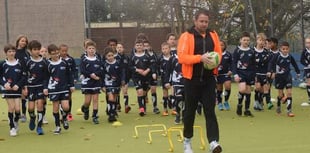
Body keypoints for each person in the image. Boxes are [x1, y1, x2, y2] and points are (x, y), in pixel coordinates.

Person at [177, 9, 222, 153]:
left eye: (206, 22)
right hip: (191, 80)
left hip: (209, 80)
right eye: (201, 21)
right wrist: (200, 58)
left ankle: (213, 142)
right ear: (195, 21)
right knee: (189, 112)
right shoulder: (186, 36)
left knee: (210, 111)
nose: (204, 24)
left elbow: (218, 54)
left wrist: (215, 61)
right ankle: (187, 141)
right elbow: (182, 57)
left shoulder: (213, 34)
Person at [44, 44, 74, 134]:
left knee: (66, 107)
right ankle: (57, 126)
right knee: (55, 107)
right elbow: (46, 77)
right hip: (53, 89)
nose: (56, 55)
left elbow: (69, 75)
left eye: (57, 53)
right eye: (53, 53)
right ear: (49, 54)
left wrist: (71, 85)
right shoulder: (48, 64)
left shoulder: (64, 62)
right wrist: (45, 88)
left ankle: (64, 118)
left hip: (64, 88)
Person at [0, 44, 27, 136]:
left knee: (18, 110)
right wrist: (4, 84)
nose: (11, 53)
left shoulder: (20, 63)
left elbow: (24, 76)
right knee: (11, 107)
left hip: (17, 90)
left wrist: (18, 85)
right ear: (6, 53)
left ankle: (15, 121)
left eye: (13, 51)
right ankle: (12, 127)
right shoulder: (3, 64)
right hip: (7, 90)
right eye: (9, 52)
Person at [268, 41, 300, 117]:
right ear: (280, 49)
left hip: (287, 76)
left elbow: (294, 64)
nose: (285, 50)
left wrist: (298, 72)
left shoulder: (289, 56)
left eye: (286, 49)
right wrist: (270, 71)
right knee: (280, 95)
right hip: (279, 77)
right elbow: (271, 63)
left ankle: (289, 111)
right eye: (283, 49)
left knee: (289, 93)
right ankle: (278, 107)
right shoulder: (277, 56)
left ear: (289, 49)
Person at [25, 40, 48, 135]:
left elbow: (47, 76)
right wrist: (25, 87)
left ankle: (39, 126)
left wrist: (45, 87)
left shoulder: (44, 62)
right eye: (35, 49)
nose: (37, 51)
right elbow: (24, 75)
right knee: (30, 108)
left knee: (40, 105)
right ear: (30, 50)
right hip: (30, 87)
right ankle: (32, 117)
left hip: (40, 87)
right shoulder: (28, 62)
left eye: (38, 49)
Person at [80, 41, 104, 124]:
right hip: (87, 83)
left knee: (95, 99)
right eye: (89, 48)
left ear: (95, 49)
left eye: (93, 48)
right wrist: (91, 75)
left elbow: (101, 69)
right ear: (86, 49)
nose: (91, 50)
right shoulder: (84, 59)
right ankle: (85, 109)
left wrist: (96, 75)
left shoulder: (98, 59)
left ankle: (95, 116)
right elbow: (82, 70)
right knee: (87, 101)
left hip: (96, 82)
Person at [232, 32, 255, 117]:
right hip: (240, 73)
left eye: (248, 40)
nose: (246, 41)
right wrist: (235, 74)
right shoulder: (237, 50)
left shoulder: (252, 51)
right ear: (240, 40)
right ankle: (239, 105)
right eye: (244, 40)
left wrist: (254, 76)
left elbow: (253, 65)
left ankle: (247, 110)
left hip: (249, 74)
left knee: (248, 91)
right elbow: (233, 63)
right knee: (242, 89)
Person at [129, 39, 152, 116]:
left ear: (143, 47)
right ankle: (141, 109)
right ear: (135, 47)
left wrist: (146, 71)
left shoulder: (147, 55)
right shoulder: (132, 57)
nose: (139, 47)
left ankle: (144, 107)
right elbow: (130, 66)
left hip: (146, 76)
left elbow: (151, 65)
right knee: (140, 92)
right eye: (137, 45)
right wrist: (137, 70)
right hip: (136, 77)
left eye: (140, 45)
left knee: (144, 93)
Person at [102, 47, 124, 122]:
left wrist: (122, 80)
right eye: (108, 56)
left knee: (114, 98)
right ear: (105, 56)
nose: (110, 57)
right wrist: (102, 85)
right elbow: (102, 75)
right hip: (108, 84)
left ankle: (112, 111)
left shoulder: (118, 63)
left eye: (112, 55)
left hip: (116, 84)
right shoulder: (104, 64)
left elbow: (121, 73)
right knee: (110, 98)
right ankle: (111, 115)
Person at [59, 44, 78, 121]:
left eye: (65, 51)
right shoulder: (58, 60)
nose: (64, 52)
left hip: (69, 82)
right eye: (62, 51)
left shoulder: (70, 59)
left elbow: (75, 70)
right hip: (60, 82)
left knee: (68, 98)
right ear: (59, 51)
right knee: (60, 99)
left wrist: (75, 78)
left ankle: (69, 113)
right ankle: (62, 114)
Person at [253, 33, 272, 111]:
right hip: (255, 73)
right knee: (257, 87)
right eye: (260, 40)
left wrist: (269, 71)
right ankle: (256, 102)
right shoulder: (252, 51)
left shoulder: (266, 52)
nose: (261, 42)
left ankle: (260, 102)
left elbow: (269, 63)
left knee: (262, 90)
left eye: (263, 41)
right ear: (257, 41)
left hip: (264, 73)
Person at [15, 35, 30, 123]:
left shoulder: (27, 53)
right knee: (17, 96)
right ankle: (17, 113)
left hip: (25, 77)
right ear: (18, 41)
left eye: (25, 41)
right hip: (16, 77)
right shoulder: (14, 52)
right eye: (22, 41)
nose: (23, 42)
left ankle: (23, 114)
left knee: (24, 95)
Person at [143, 40, 160, 114]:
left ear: (150, 46)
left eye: (147, 46)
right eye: (145, 46)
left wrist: (155, 72)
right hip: (145, 74)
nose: (146, 47)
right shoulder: (143, 55)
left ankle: (155, 107)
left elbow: (156, 64)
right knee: (143, 91)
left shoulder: (154, 54)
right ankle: (143, 108)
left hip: (153, 74)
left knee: (153, 89)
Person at [216, 40, 232, 111]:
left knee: (228, 86)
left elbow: (232, 63)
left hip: (226, 74)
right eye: (219, 45)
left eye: (222, 45)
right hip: (218, 74)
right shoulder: (214, 54)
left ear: (225, 46)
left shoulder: (228, 54)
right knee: (219, 89)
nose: (220, 46)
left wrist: (230, 70)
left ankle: (226, 101)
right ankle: (219, 103)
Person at [116, 43, 132, 113]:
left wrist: (129, 77)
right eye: (118, 47)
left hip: (125, 77)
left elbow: (129, 68)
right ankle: (118, 105)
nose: (119, 48)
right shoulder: (114, 57)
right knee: (117, 92)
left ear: (123, 49)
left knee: (125, 92)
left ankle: (126, 106)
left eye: (121, 47)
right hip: (117, 77)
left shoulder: (126, 57)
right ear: (116, 49)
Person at [159, 42, 173, 116]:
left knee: (173, 92)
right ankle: (165, 109)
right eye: (163, 49)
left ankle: (174, 108)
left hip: (173, 77)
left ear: (170, 49)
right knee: (165, 93)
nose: (165, 50)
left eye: (166, 48)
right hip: (164, 78)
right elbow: (158, 67)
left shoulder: (174, 57)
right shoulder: (160, 59)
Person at [300, 38, 310, 103]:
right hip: (308, 69)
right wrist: (307, 64)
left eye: (309, 42)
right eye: (307, 42)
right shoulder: (304, 51)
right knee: (309, 83)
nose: (308, 44)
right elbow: (301, 60)